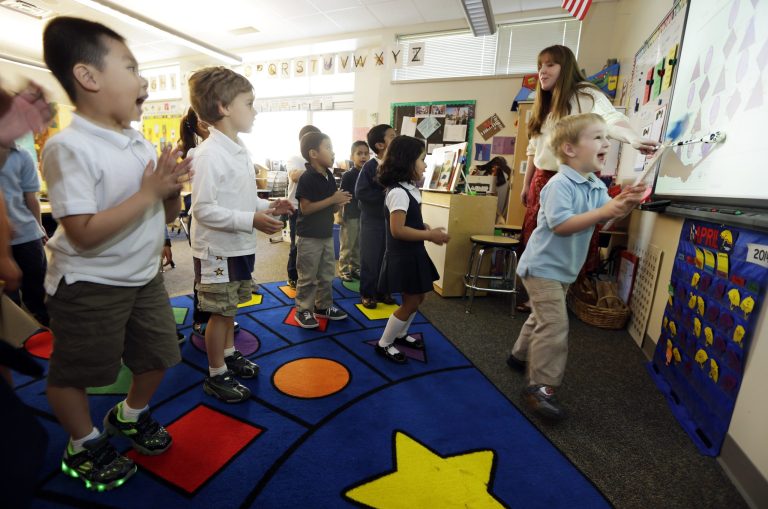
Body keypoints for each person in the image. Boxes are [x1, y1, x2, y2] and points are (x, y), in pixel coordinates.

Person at [41, 16, 193, 490]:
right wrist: (150, 193)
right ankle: (82, 442)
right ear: (88, 77)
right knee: (77, 374)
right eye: (130, 68)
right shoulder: (70, 147)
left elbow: (161, 214)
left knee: (159, 356)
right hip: (89, 283)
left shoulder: (137, 141)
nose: (144, 80)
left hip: (142, 276)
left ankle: (130, 415)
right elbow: (83, 232)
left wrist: (169, 191)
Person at [508, 113, 646, 420]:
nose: (606, 143)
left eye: (606, 138)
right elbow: (561, 225)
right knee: (555, 324)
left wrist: (623, 206)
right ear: (570, 149)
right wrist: (607, 208)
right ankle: (540, 387)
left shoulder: (595, 185)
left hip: (565, 269)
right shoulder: (560, 185)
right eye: (597, 137)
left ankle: (518, 357)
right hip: (542, 266)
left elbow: (602, 221)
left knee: (542, 317)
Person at [517, 45, 657, 312]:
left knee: (575, 237)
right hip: (542, 180)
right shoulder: (543, 105)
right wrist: (526, 185)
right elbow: (535, 150)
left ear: (565, 67)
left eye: (550, 65)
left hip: (576, 179)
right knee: (539, 240)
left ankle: (563, 294)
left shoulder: (586, 95)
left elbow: (611, 118)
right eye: (540, 65)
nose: (542, 71)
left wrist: (633, 138)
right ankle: (539, 297)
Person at [188, 67, 293, 403]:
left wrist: (269, 205)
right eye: (249, 103)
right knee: (219, 312)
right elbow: (203, 210)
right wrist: (253, 219)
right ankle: (216, 373)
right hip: (216, 251)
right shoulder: (208, 155)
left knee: (230, 307)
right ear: (223, 107)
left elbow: (240, 198)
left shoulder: (237, 149)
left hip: (236, 246)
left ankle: (229, 354)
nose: (255, 110)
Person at [375, 136, 449, 363]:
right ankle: (384, 343)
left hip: (414, 253)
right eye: (421, 159)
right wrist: (430, 235)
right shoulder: (397, 192)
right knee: (410, 302)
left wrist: (423, 227)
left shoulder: (409, 189)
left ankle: (401, 333)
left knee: (418, 299)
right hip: (403, 256)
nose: (425, 165)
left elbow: (409, 222)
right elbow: (397, 230)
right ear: (407, 161)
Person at [293, 131, 351, 328]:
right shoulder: (307, 177)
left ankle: (323, 306)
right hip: (309, 236)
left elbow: (332, 207)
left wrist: (339, 202)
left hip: (326, 233)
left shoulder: (328, 176)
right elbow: (306, 208)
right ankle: (303, 310)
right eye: (328, 148)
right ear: (313, 154)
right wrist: (332, 199)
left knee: (326, 274)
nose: (333, 153)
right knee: (308, 276)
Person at [0, 143, 49, 326]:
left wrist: (39, 227)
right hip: (3, 241)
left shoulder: (23, 155)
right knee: (7, 299)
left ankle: (43, 334)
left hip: (27, 235)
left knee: (38, 291)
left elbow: (31, 198)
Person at [356, 124, 397, 309]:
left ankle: (383, 291)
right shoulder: (369, 167)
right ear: (380, 145)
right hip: (372, 221)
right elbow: (361, 192)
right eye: (392, 136)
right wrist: (384, 194)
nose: (396, 138)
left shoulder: (395, 167)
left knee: (387, 257)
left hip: (390, 221)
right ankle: (367, 293)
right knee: (370, 258)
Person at [285, 125, 321, 289]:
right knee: (297, 245)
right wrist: (315, 168)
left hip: (315, 208)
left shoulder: (320, 158)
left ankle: (310, 276)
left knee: (315, 246)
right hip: (296, 208)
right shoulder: (295, 158)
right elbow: (294, 176)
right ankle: (293, 276)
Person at [338, 140, 369, 281]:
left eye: (366, 154)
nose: (363, 156)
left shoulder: (368, 174)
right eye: (359, 153)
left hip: (364, 215)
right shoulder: (348, 175)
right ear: (352, 156)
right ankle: (343, 269)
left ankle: (355, 267)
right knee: (348, 244)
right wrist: (338, 215)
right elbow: (341, 196)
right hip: (350, 215)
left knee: (359, 244)